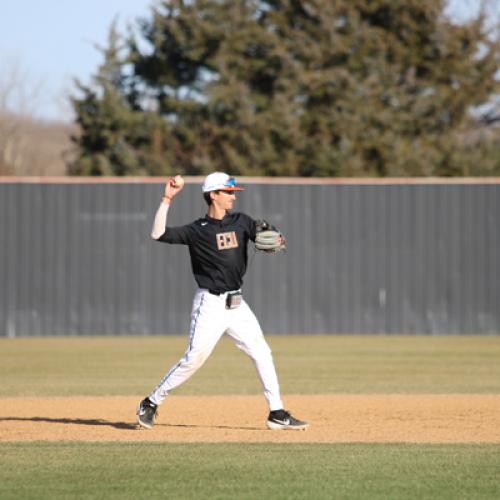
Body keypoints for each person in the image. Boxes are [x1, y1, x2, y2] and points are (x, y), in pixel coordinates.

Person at [136, 172, 308, 431]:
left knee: (262, 352)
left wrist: (276, 237)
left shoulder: (241, 222)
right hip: (210, 304)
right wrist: (167, 198)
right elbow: (157, 234)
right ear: (213, 194)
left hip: (237, 304)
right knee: (194, 359)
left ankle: (276, 412)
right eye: (228, 192)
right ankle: (150, 402)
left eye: (233, 192)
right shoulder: (197, 231)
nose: (233, 196)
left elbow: (267, 235)